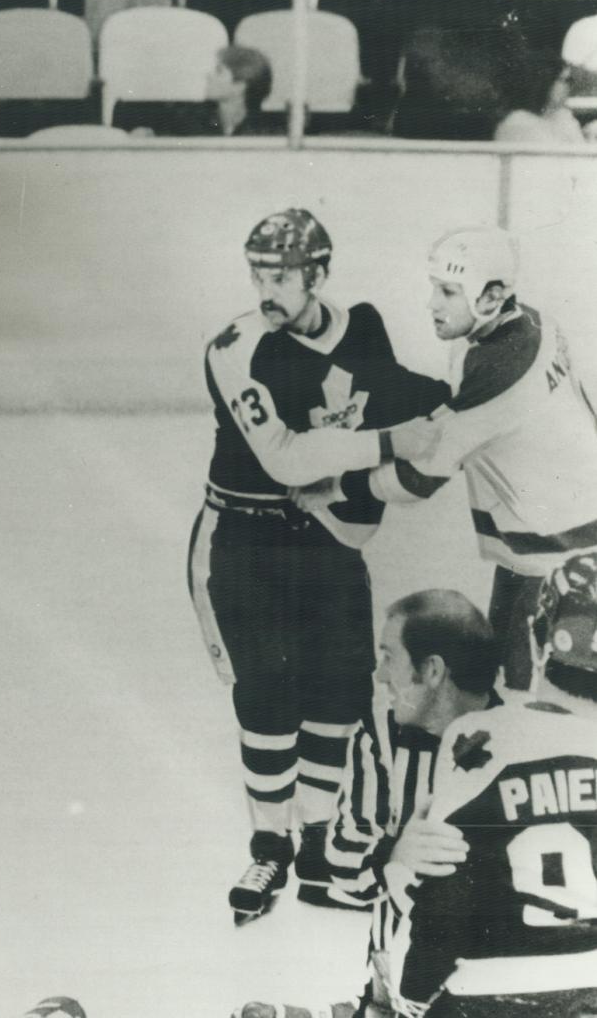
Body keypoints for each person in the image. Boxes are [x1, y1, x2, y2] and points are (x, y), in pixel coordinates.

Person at [187, 207, 451, 926]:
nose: (266, 288)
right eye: (257, 273)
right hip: (245, 539)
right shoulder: (238, 349)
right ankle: (268, 844)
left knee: (335, 699)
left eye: (282, 275)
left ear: (319, 274)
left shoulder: (360, 326)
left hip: (322, 538)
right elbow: (286, 459)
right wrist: (395, 439)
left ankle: (314, 848)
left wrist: (457, 408)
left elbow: (393, 390)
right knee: (268, 700)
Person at [305, 227, 597, 693]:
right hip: (556, 543)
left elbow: (420, 478)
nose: (432, 304)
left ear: (493, 294)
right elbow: (456, 413)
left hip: (558, 557)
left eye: (447, 291)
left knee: (528, 704)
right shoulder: (532, 323)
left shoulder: (498, 370)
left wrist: (336, 487)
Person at [381, 557, 597, 1018]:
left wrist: (410, 997)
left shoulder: (480, 735)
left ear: (539, 640)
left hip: (490, 989)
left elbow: (445, 898)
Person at [324, 591, 503, 1018]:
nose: (380, 674)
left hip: (489, 989)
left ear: (433, 670)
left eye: (388, 657)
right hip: (397, 988)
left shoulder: (514, 739)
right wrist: (394, 854)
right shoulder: (380, 739)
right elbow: (341, 856)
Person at [202, 45, 276, 137]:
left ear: (240, 86)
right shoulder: (194, 122)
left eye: (219, 71)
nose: (209, 76)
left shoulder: (266, 132)